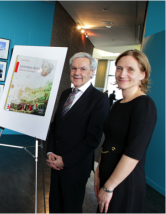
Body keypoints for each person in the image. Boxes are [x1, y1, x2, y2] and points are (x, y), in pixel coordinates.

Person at [94, 50, 157, 214]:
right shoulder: (118, 104)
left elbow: (134, 152)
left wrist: (108, 187)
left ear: (142, 74)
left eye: (130, 69)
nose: (122, 74)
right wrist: (98, 173)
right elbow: (108, 142)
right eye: (119, 68)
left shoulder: (144, 105)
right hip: (108, 177)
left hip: (124, 182)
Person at [46, 52, 110, 214]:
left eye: (83, 68)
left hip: (76, 166)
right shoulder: (66, 93)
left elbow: (93, 139)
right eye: (74, 68)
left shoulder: (99, 100)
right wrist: (50, 151)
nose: (77, 72)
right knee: (55, 205)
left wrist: (65, 160)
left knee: (71, 208)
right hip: (55, 162)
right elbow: (55, 126)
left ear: (91, 72)